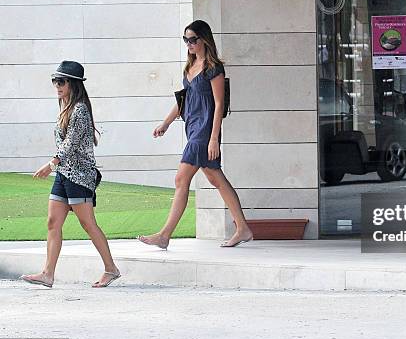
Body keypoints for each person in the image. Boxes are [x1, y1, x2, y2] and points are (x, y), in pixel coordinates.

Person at [137, 20, 253, 249]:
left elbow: (219, 105)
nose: (189, 44)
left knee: (182, 178)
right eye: (185, 40)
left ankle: (164, 235)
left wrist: (213, 138)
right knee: (215, 177)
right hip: (193, 128)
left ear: (204, 39)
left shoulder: (213, 68)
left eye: (193, 40)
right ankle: (243, 228)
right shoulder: (189, 67)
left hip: (205, 131)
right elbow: (183, 102)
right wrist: (165, 124)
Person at [20, 61, 121, 287]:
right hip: (64, 175)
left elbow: (71, 143)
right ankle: (47, 273)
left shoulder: (80, 110)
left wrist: (50, 164)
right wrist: (57, 167)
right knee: (52, 222)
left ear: (73, 84)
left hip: (80, 176)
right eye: (55, 81)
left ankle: (111, 269)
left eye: (61, 81)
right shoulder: (65, 107)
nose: (57, 85)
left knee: (88, 224)